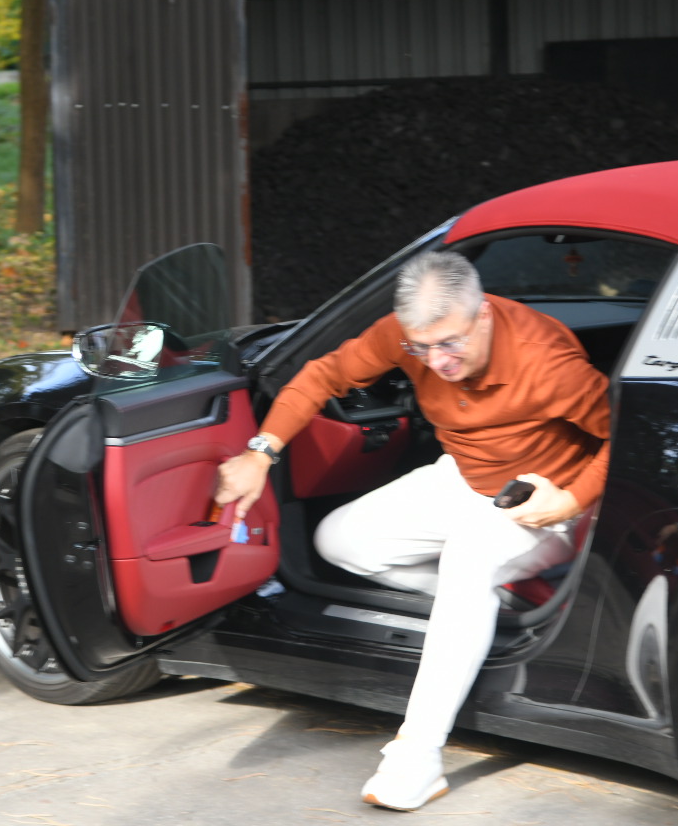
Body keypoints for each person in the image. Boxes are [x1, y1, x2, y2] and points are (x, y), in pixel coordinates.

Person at [214, 250, 609, 811]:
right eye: (421, 348)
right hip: (463, 476)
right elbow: (323, 374)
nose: (437, 362)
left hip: (543, 497)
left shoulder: (546, 361)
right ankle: (482, 602)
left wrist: (569, 499)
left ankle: (417, 756)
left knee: (468, 561)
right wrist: (261, 452)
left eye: (450, 343)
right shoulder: (406, 338)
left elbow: (629, 434)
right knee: (338, 541)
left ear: (485, 315)